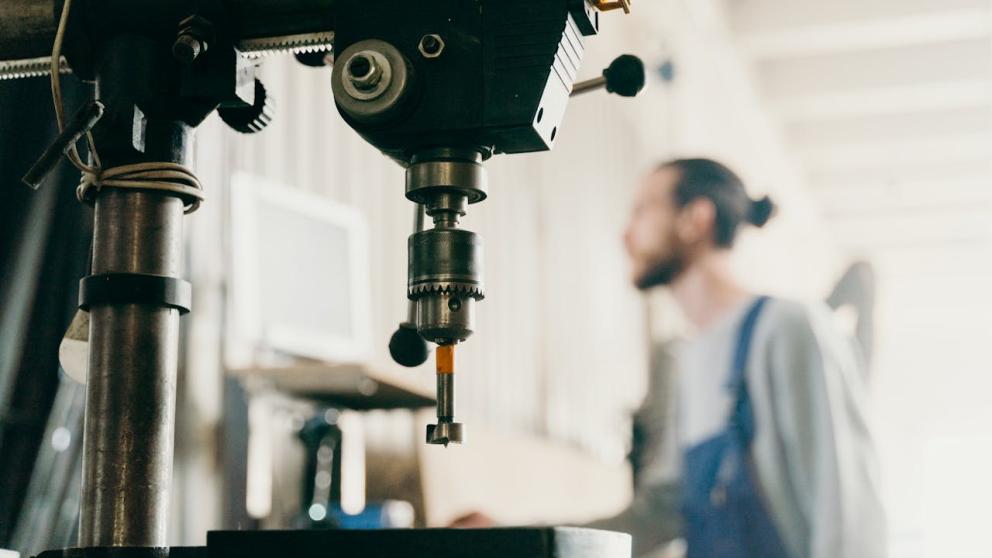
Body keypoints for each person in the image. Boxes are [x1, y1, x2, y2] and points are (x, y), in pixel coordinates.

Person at [453, 158, 887, 558]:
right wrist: (510, 538)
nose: (626, 236)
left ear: (695, 218)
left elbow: (847, 510)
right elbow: (657, 515)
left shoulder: (786, 327)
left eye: (642, 211)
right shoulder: (689, 361)